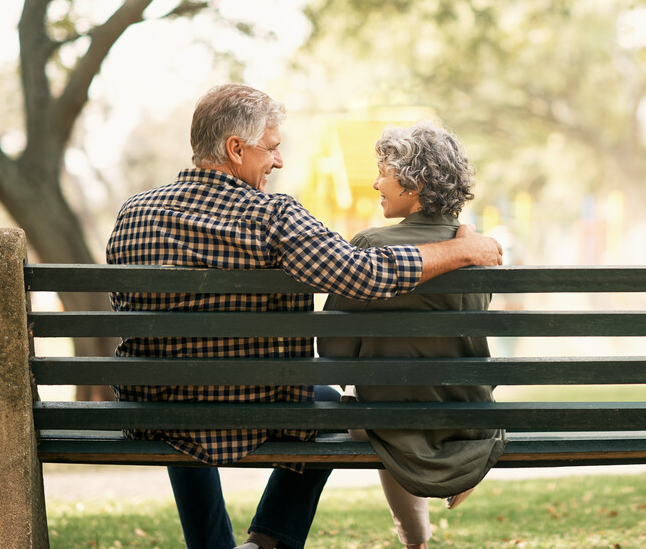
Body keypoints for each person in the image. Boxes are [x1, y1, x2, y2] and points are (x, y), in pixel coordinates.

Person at [105, 84, 502, 549]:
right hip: (253, 407)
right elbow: (365, 273)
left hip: (153, 408)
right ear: (236, 148)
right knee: (328, 404)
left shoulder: (133, 211)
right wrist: (459, 248)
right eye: (271, 149)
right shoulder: (272, 216)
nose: (277, 161)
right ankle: (269, 541)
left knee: (178, 396)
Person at [320, 121, 507, 549]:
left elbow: (332, 347)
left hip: (389, 419)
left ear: (415, 182)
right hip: (470, 420)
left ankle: (415, 541)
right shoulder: (477, 250)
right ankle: (458, 469)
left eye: (384, 170)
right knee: (397, 408)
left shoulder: (370, 245)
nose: (375, 181)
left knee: (381, 413)